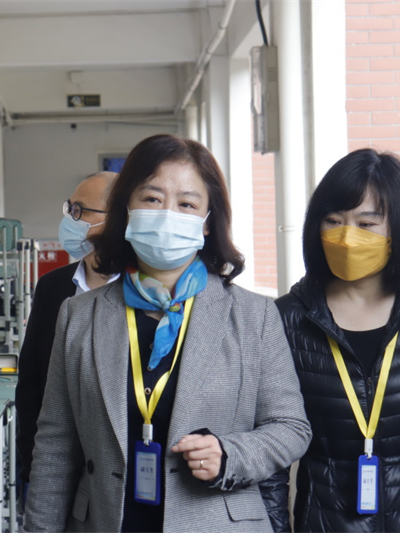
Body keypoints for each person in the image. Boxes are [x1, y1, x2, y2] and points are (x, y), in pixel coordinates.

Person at [23, 134, 311, 532]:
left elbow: (291, 427)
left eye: (187, 204)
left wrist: (230, 454)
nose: (167, 214)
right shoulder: (79, 315)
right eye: (152, 198)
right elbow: (55, 443)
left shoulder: (254, 315)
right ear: (127, 209)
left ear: (207, 222)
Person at [274, 148, 400, 532]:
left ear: (397, 228)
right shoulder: (286, 318)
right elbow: (272, 452)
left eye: (366, 223)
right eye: (333, 221)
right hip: (325, 520)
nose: (347, 237)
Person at [16, 170, 119, 487]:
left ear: (116, 219)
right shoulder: (52, 287)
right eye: (69, 208)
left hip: (114, 470)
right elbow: (31, 380)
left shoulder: (143, 292)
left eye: (79, 211)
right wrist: (31, 464)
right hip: (55, 464)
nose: (70, 219)